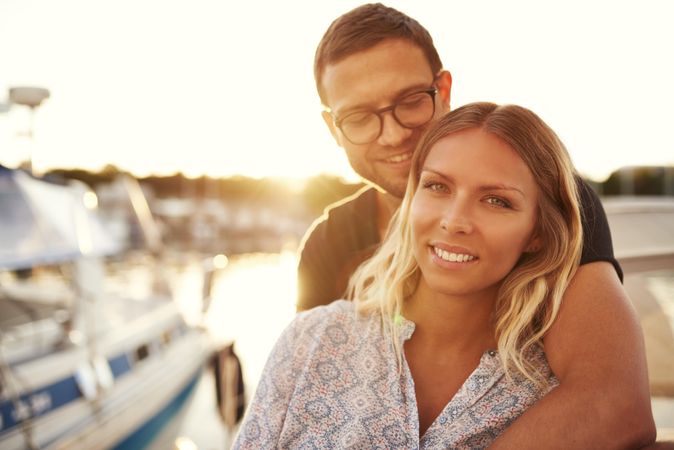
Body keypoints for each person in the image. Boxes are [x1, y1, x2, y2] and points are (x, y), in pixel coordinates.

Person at [296, 4, 655, 448]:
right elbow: (312, 396)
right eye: (359, 118)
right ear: (333, 128)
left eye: (410, 102)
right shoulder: (328, 244)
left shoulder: (556, 204)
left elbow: (611, 401)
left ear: (443, 89)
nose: (391, 135)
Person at [234, 102, 633, 448]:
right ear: (410, 200)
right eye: (437, 186)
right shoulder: (311, 340)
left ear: (538, 233)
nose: (454, 221)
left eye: (496, 201)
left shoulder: (550, 388)